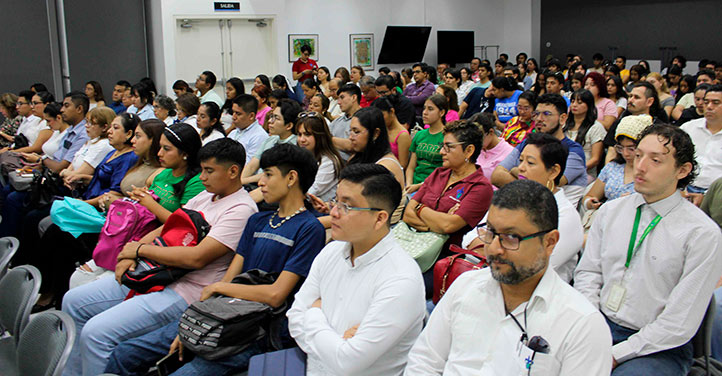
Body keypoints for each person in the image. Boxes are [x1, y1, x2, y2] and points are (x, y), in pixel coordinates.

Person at [104, 142, 324, 376]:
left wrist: (219, 288)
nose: (260, 182)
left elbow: (276, 294)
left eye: (268, 175)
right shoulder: (258, 221)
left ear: (291, 178)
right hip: (223, 313)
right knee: (126, 353)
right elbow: (233, 274)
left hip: (255, 327)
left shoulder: (308, 229)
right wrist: (196, 320)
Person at [63, 137, 260, 376]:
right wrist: (130, 251)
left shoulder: (241, 209)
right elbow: (168, 227)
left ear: (233, 171)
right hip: (154, 272)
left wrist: (140, 250)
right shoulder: (206, 196)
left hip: (185, 290)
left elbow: (197, 258)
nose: (203, 177)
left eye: (209, 171)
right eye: (203, 170)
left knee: (96, 333)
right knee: (73, 301)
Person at [405, 179, 612, 375]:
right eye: (491, 233)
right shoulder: (466, 287)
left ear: (549, 242)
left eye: (511, 237)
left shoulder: (582, 325)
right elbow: (424, 361)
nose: (494, 248)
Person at [575, 124, 722, 375]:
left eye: (656, 160)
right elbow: (588, 273)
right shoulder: (610, 212)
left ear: (682, 170)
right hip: (599, 324)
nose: (640, 166)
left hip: (659, 346)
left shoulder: (702, 234)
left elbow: (678, 323)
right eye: (639, 154)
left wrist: (614, 353)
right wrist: (593, 326)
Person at [289, 163, 424, 375]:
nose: (333, 212)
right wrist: (336, 341)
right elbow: (294, 317)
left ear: (380, 218)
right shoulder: (331, 252)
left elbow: (348, 362)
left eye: (347, 206)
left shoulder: (401, 279)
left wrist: (314, 313)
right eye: (335, 201)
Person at [29, 117, 160, 310]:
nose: (133, 141)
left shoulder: (143, 164)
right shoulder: (134, 159)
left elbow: (126, 198)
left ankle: (54, 295)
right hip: (109, 211)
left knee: (58, 233)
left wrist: (92, 202)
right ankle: (49, 290)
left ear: (151, 140)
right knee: (51, 228)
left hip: (117, 220)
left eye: (137, 136)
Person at [403, 120, 493, 287]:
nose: (441, 151)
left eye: (448, 147)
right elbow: (408, 212)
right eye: (442, 146)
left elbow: (448, 226)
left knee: (404, 284)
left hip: (444, 260)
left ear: (469, 150)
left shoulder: (480, 187)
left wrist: (420, 208)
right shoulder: (439, 173)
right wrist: (434, 223)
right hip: (413, 244)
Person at [492, 94, 587, 206]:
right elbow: (496, 176)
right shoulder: (527, 143)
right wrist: (529, 181)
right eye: (536, 114)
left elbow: (550, 184)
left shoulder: (573, 151)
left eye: (546, 114)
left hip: (554, 214)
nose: (539, 119)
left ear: (562, 118)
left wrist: (514, 170)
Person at [583, 115, 652, 212]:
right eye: (621, 148)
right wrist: (590, 203)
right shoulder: (612, 167)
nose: (625, 153)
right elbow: (590, 195)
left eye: (631, 149)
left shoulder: (652, 173)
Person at [241, 99, 301, 188]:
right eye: (271, 116)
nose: (270, 121)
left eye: (276, 118)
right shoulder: (271, 139)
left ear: (289, 126)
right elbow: (252, 166)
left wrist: (242, 181)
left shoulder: (294, 146)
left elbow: (270, 174)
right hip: (253, 184)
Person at [680, 84, 722, 204]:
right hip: (685, 190)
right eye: (706, 102)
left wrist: (706, 196)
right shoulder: (688, 128)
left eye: (715, 102)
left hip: (717, 194)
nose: (709, 107)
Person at [296, 112, 343, 202]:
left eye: (307, 134)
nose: (302, 139)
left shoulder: (329, 161)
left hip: (319, 210)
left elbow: (311, 192)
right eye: (299, 134)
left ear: (320, 136)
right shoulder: (301, 157)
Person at [406, 94, 448, 192]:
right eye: (424, 108)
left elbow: (446, 172)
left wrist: (418, 186)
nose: (424, 113)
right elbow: (411, 167)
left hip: (435, 187)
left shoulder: (447, 137)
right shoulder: (419, 135)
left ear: (441, 112)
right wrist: (409, 184)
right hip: (412, 186)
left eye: (430, 109)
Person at [564, 89, 607, 178]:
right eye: (572, 101)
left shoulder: (596, 127)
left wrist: (575, 171)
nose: (574, 105)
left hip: (585, 173)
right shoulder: (564, 124)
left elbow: (595, 159)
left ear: (589, 105)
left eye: (579, 102)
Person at [473, 113, 514, 187]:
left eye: (479, 137)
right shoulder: (477, 148)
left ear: (491, 132)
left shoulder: (509, 153)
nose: (476, 142)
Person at [226, 94, 267, 163]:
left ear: (251, 116)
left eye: (238, 114)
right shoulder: (232, 133)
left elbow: (249, 165)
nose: (233, 117)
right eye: (233, 112)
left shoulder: (259, 136)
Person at [373, 96, 411, 169]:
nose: (380, 120)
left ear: (392, 111)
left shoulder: (403, 135)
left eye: (382, 115)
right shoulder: (381, 130)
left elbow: (402, 165)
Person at [329, 84, 362, 161]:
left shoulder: (365, 118)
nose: (338, 102)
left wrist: (329, 139)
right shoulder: (336, 121)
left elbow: (353, 145)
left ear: (354, 97)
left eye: (342, 98)